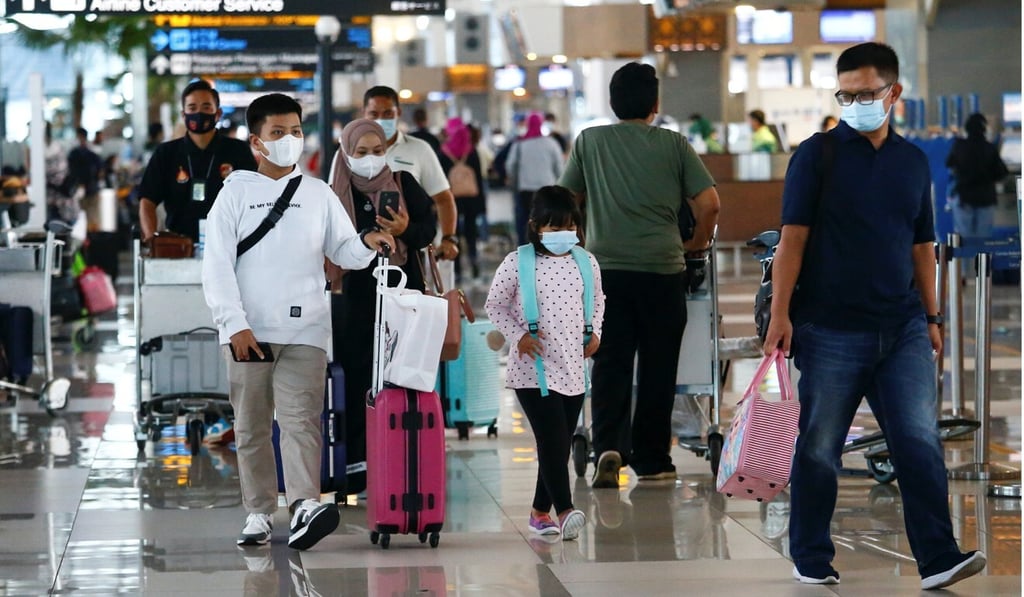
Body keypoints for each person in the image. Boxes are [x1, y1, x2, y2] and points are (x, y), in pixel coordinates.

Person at [762, 42, 986, 590]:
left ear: (894, 93)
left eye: (867, 93)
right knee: (819, 446)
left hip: (903, 325)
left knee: (918, 440)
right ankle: (811, 554)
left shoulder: (912, 162)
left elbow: (922, 245)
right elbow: (792, 239)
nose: (857, 102)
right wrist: (781, 315)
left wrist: (932, 317)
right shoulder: (817, 155)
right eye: (848, 94)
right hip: (830, 326)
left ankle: (938, 558)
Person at [202, 93, 393, 551]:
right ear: (256, 142)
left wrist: (368, 242)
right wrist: (234, 325)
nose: (289, 140)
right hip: (249, 330)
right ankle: (259, 511)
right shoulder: (235, 194)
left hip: (307, 327)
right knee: (250, 427)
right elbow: (216, 266)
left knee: (301, 421)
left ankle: (305, 504)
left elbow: (342, 251)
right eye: (277, 133)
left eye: (295, 131)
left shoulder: (318, 193)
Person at [558, 62, 720, 488]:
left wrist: (580, 238)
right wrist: (696, 243)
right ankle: (652, 458)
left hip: (605, 272)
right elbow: (710, 204)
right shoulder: (674, 145)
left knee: (609, 362)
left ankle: (609, 447)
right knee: (658, 365)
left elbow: (565, 199)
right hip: (663, 271)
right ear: (655, 103)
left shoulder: (589, 142)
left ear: (612, 103)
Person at [484, 185, 604, 541]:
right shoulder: (518, 262)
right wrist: (519, 335)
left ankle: (540, 512)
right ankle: (565, 510)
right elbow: (495, 305)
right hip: (532, 372)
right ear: (535, 226)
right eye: (552, 228)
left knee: (559, 444)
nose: (561, 234)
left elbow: (598, 299)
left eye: (568, 227)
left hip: (573, 369)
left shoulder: (586, 261)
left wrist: (595, 331)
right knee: (551, 439)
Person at [328, 118, 437, 495]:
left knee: (404, 374)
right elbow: (328, 242)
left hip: (404, 296)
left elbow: (428, 233)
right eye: (361, 153)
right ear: (346, 153)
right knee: (358, 378)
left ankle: (402, 457)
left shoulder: (404, 184)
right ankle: (358, 467)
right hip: (355, 299)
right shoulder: (334, 193)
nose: (371, 159)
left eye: (377, 151)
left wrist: (405, 228)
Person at [338, 86, 459, 261]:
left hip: (408, 251)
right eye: (374, 114)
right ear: (364, 113)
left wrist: (448, 238)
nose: (381, 120)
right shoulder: (346, 153)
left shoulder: (419, 150)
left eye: (388, 113)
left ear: (398, 112)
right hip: (358, 253)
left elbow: (443, 198)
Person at [138, 79, 258, 243]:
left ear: (218, 114)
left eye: (206, 107)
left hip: (230, 245)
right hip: (179, 247)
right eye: (192, 108)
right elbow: (147, 200)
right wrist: (151, 238)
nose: (199, 113)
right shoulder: (166, 153)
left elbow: (254, 198)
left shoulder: (238, 150)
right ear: (183, 114)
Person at [946, 112, 1009, 241]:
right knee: (983, 240)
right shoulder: (990, 148)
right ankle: (981, 261)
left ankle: (966, 261)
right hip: (985, 198)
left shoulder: (959, 146)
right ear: (984, 129)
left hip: (964, 197)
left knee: (964, 241)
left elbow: (949, 164)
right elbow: (1002, 172)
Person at [438, 117, 486, 282]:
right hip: (472, 199)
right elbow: (478, 179)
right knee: (472, 233)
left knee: (453, 233)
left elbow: (440, 181)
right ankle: (474, 266)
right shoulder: (471, 151)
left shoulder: (444, 152)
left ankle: (457, 270)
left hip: (452, 200)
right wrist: (482, 204)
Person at [507, 112, 565, 246]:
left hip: (525, 190)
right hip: (547, 190)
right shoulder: (551, 143)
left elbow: (510, 166)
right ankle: (547, 251)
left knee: (525, 223)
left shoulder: (520, 144)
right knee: (547, 223)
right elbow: (559, 168)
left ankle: (525, 251)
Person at [66, 127, 104, 232]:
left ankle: (85, 243)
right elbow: (100, 171)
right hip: (91, 189)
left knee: (80, 219)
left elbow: (71, 171)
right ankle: (93, 242)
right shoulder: (93, 151)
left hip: (80, 189)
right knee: (92, 218)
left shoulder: (74, 153)